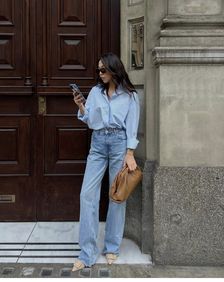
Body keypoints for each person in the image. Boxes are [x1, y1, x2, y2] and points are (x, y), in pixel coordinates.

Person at [72, 52, 140, 271]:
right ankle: (87, 253)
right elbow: (91, 121)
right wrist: (82, 107)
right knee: (87, 195)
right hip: (99, 143)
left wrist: (130, 153)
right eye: (98, 70)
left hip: (120, 144)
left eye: (103, 70)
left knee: (117, 195)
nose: (100, 74)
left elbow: (132, 125)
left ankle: (112, 247)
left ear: (113, 70)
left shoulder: (130, 95)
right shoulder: (95, 92)